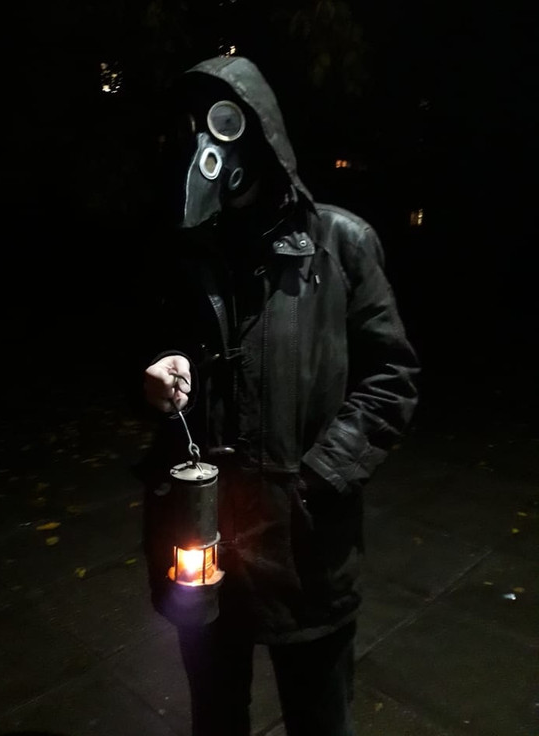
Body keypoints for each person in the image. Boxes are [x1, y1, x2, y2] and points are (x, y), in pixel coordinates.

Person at [141, 55, 419, 736]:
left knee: (318, 717)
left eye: (224, 121)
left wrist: (320, 478)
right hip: (203, 544)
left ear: (261, 130)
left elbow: (392, 376)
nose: (207, 145)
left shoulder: (339, 243)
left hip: (305, 554)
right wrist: (157, 373)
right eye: (193, 126)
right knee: (216, 716)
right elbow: (154, 347)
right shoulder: (187, 252)